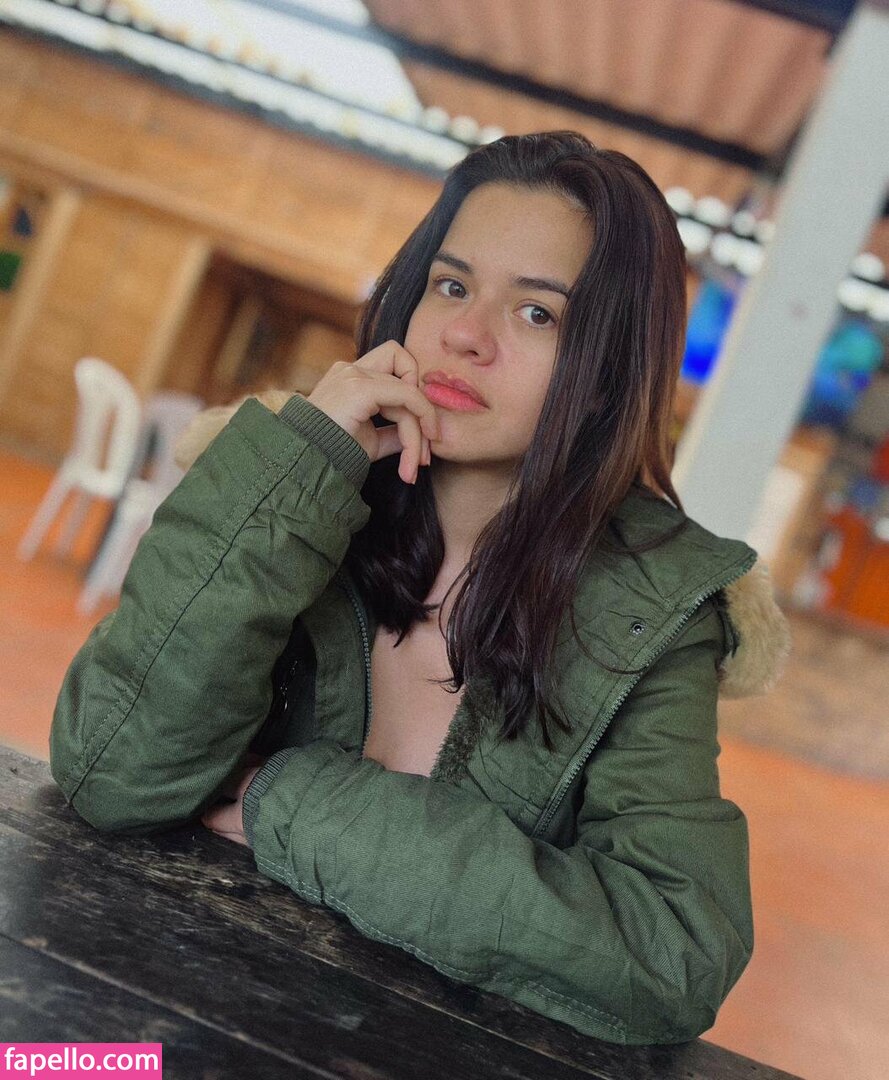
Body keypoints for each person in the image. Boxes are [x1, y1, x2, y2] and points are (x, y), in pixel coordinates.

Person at [50, 131, 791, 1045]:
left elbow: (670, 954)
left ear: (606, 375)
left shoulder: (653, 606)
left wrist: (297, 804)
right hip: (170, 1019)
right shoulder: (287, 486)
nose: (465, 335)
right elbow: (110, 769)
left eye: (537, 314)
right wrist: (302, 472)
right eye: (450, 286)